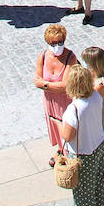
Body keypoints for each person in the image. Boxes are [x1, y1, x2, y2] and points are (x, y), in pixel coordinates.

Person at [58, 63, 104, 206]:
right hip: (98, 145)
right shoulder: (96, 96)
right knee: (95, 184)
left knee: (82, 194)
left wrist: (59, 125)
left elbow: (67, 136)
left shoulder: (74, 109)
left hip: (82, 154)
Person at [79, 47, 104, 198]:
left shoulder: (101, 83)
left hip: (103, 121)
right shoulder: (95, 74)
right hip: (99, 119)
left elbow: (90, 99)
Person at [36, 24, 79, 162]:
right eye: (53, 43)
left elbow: (65, 86)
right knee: (55, 124)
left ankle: (69, 154)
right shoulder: (43, 56)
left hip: (66, 101)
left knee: (67, 127)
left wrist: (45, 85)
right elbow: (37, 79)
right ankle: (61, 150)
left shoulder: (70, 57)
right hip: (50, 100)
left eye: (60, 42)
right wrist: (49, 86)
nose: (57, 46)